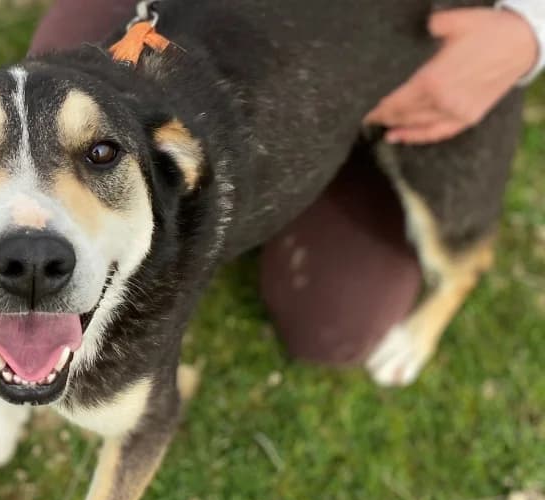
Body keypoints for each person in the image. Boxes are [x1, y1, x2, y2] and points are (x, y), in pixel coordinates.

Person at [29, 1, 544, 366]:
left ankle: (449, 283)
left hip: (433, 33)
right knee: (55, 104)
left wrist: (527, 30)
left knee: (335, 323)